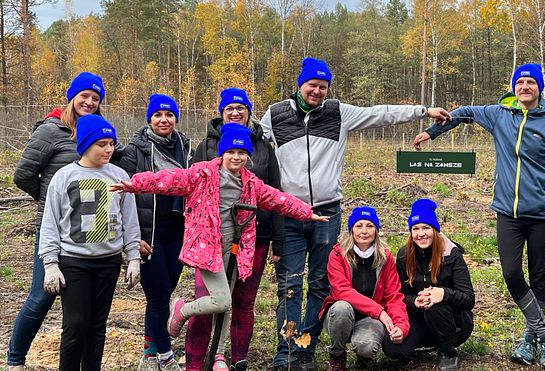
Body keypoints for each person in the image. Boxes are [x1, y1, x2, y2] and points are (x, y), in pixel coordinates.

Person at [260, 57, 450, 370]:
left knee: (321, 285)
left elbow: (380, 114)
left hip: (326, 213)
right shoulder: (275, 115)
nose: (318, 91)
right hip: (290, 214)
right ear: (300, 84)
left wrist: (423, 111)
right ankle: (288, 353)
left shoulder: (337, 112)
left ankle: (306, 351)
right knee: (289, 285)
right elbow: (249, 143)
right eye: (312, 85)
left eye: (323, 86)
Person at [110, 124, 329, 371]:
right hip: (207, 248)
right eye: (231, 152)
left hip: (236, 249)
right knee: (222, 301)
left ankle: (219, 354)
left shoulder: (251, 183)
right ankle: (183, 310)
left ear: (248, 157)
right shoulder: (201, 174)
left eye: (241, 153)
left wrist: (307, 214)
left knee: (226, 305)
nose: (236, 157)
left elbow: (278, 199)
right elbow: (168, 180)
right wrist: (135, 184)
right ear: (222, 154)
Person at [412, 63, 545, 368]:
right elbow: (463, 113)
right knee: (512, 273)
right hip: (507, 214)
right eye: (520, 82)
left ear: (540, 88)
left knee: (538, 276)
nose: (525, 87)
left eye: (531, 83)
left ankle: (530, 337)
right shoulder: (499, 114)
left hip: (541, 215)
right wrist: (433, 133)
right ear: (514, 87)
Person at [8, 72, 106, 371]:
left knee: (81, 311)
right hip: (54, 230)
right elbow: (23, 175)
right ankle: (14, 359)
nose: (89, 102)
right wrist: (53, 204)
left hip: (87, 233)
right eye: (84, 96)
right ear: (71, 96)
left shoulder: (95, 131)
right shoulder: (51, 131)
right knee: (41, 296)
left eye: (95, 98)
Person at [187, 88, 284, 371]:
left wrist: (278, 240)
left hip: (256, 236)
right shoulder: (205, 147)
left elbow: (275, 193)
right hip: (212, 240)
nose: (235, 112)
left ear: (249, 112)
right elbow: (191, 193)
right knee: (208, 300)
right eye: (229, 108)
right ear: (221, 112)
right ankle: (194, 362)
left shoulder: (264, 146)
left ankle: (236, 358)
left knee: (243, 301)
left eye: (241, 108)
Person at [37, 114, 141, 370]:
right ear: (85, 144)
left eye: (111, 144)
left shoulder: (118, 176)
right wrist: (50, 263)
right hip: (74, 261)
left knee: (97, 326)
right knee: (76, 325)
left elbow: (130, 220)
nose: (108, 149)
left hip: (108, 262)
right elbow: (50, 221)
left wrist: (134, 257)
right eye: (101, 144)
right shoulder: (64, 177)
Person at [117, 94, 192, 371]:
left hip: (178, 232)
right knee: (158, 296)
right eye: (158, 115)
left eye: (169, 115)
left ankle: (149, 350)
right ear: (149, 118)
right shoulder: (135, 151)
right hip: (148, 234)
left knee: (165, 290)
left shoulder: (186, 147)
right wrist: (132, 237)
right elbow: (123, 196)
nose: (164, 119)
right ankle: (165, 356)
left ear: (176, 118)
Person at [383, 199, 474, 371]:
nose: (421, 234)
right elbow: (399, 294)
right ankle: (424, 343)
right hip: (419, 318)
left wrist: (444, 294)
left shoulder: (452, 255)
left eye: (426, 228)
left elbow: (469, 299)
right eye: (415, 229)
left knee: (435, 305)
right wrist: (414, 302)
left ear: (435, 229)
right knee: (392, 350)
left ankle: (447, 351)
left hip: (454, 322)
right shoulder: (404, 255)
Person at [320, 206, 408, 371]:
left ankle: (364, 357)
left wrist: (401, 326)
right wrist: (379, 311)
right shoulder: (338, 254)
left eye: (369, 226)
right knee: (341, 308)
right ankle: (337, 355)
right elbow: (341, 291)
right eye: (359, 226)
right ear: (351, 230)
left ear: (376, 230)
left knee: (366, 345)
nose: (364, 231)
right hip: (342, 315)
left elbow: (394, 296)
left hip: (370, 319)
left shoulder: (385, 258)